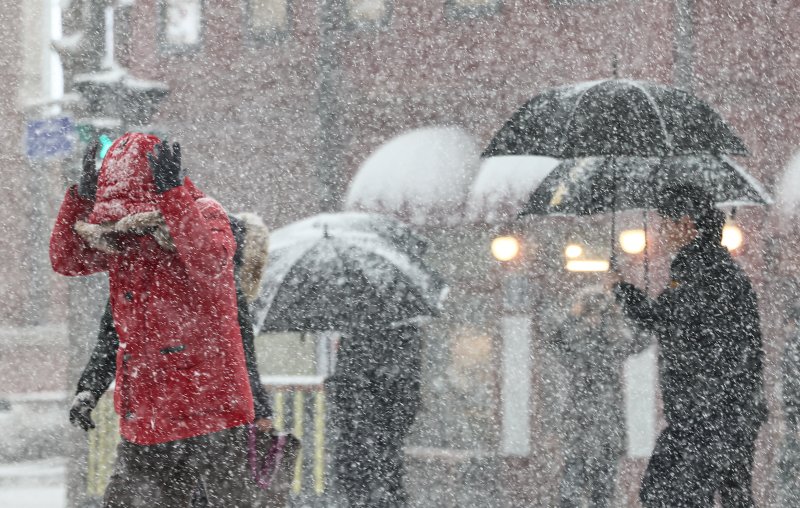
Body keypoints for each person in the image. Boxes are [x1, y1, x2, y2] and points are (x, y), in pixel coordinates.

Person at [50, 133, 262, 506]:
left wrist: (172, 196)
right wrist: (80, 199)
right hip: (148, 414)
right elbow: (67, 261)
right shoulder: (125, 242)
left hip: (210, 409)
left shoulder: (205, 213)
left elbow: (209, 260)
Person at [67, 211, 274, 506]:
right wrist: (89, 388)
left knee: (153, 494)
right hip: (189, 413)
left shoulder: (165, 270)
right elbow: (241, 351)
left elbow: (114, 335)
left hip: (175, 412)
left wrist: (90, 387)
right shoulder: (207, 270)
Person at [613, 184, 767, 507]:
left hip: (706, 416)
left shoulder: (700, 271)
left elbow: (663, 319)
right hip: (727, 413)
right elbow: (671, 319)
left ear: (686, 225)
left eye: (665, 223)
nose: (661, 232)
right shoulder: (716, 269)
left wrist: (622, 291)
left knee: (667, 495)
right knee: (732, 497)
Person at [545, 284, 650, 508]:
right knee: (591, 489)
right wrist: (631, 306)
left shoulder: (596, 341)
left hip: (589, 423)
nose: (593, 319)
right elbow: (643, 338)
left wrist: (575, 318)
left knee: (585, 488)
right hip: (596, 422)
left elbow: (555, 341)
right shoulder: (608, 340)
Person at [327, 322, 423, 507]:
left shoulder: (355, 335)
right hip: (371, 448)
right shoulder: (404, 337)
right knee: (379, 492)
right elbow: (408, 403)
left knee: (369, 492)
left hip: (365, 447)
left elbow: (342, 405)